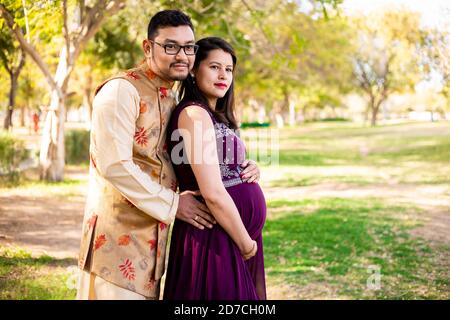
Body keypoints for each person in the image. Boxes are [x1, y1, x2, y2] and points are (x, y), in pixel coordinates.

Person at [76, 10, 260, 300]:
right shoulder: (120, 91)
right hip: (116, 246)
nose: (182, 55)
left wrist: (241, 168)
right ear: (148, 47)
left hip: (157, 248)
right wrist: (174, 203)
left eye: (189, 47)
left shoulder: (172, 98)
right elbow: (114, 165)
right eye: (170, 46)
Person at [163, 37, 266, 300]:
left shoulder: (213, 115)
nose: (223, 75)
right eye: (214, 67)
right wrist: (245, 243)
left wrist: (250, 169)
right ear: (194, 70)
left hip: (230, 233)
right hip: (214, 235)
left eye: (229, 69)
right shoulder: (193, 114)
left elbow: (222, 166)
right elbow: (213, 193)